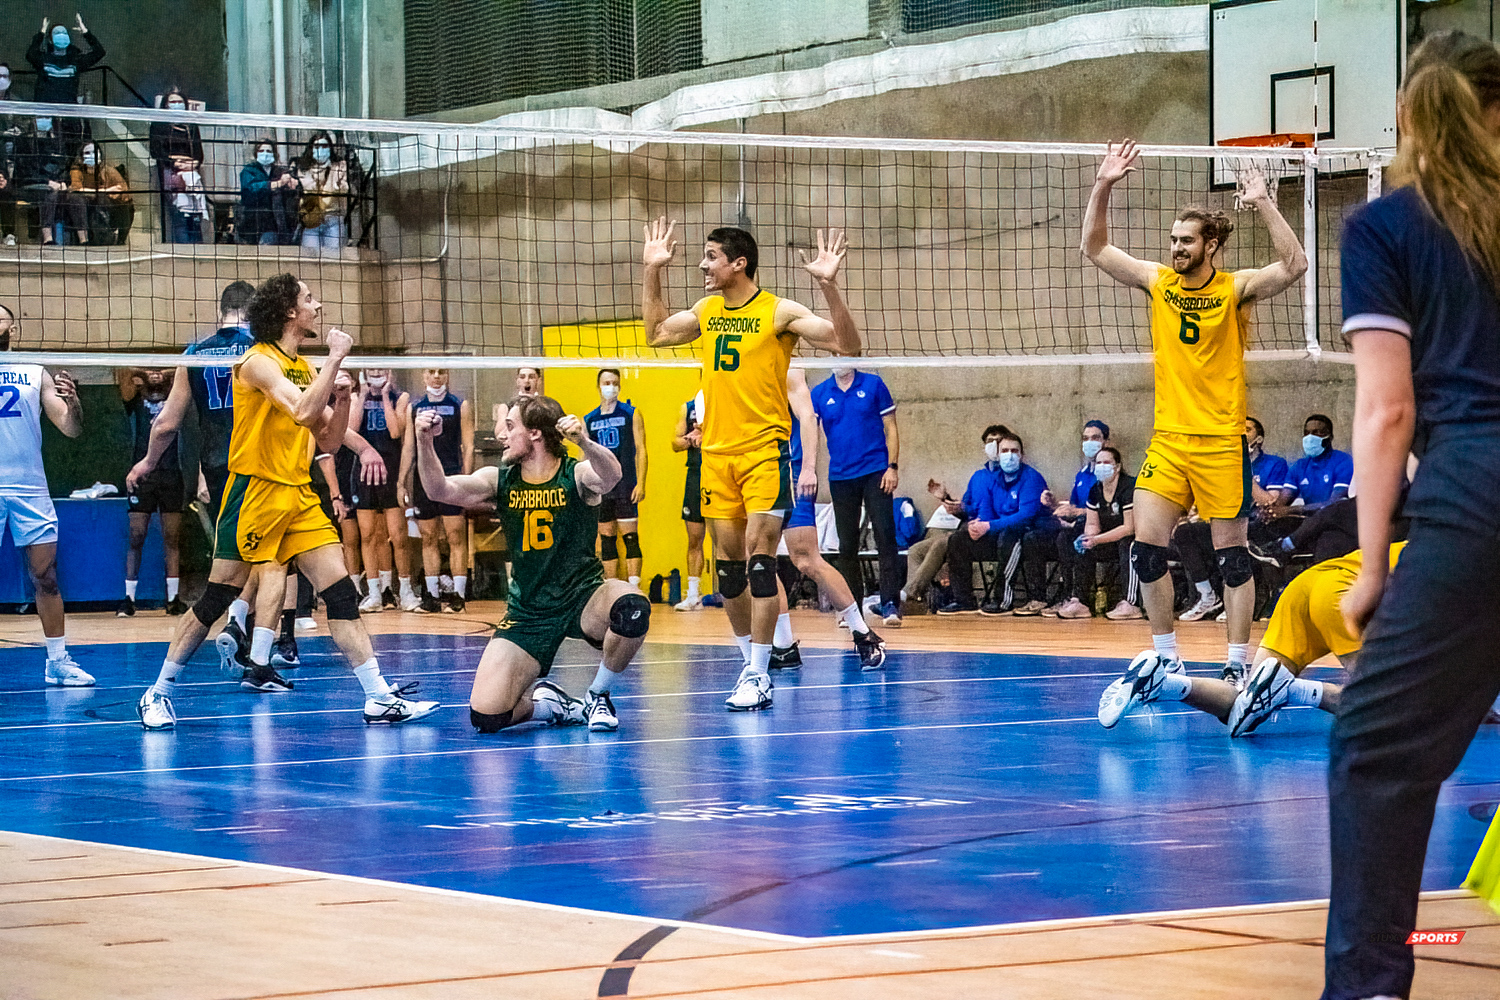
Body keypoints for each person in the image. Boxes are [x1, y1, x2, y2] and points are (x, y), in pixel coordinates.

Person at [1318, 32, 1500, 999]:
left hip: (1477, 492)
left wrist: (1374, 562)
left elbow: (1387, 410)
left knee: (1378, 749)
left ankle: (1368, 987)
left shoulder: (1389, 227)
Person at [135, 274, 435, 731]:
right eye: (309, 299)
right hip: (255, 493)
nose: (318, 305)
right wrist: (335, 360)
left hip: (297, 493)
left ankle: (378, 697)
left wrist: (343, 392)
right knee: (218, 597)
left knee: (339, 593)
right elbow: (300, 411)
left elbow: (327, 436)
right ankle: (158, 692)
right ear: (290, 313)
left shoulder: (305, 368)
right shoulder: (257, 362)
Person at [1082, 141, 1307, 689]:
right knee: (1146, 550)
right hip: (1170, 441)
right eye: (1174, 241)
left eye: (1187, 241)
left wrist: (1264, 201)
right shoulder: (1158, 282)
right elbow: (1095, 247)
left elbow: (1295, 264)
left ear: (1212, 246)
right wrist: (1105, 183)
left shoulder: (1234, 290)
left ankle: (1237, 662)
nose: (1177, 248)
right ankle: (1166, 657)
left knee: (1231, 557)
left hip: (1220, 442)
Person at [642, 220, 862, 711]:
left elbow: (847, 346)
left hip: (764, 452)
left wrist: (829, 286)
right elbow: (656, 333)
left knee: (762, 563)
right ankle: (749, 665)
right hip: (716, 456)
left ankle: (761, 673)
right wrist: (651, 270)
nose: (702, 264)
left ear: (738, 263)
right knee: (730, 574)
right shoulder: (706, 309)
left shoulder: (779, 311)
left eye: (711, 256)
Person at [415, 394, 650, 733]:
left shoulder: (577, 474)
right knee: (488, 716)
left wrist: (584, 441)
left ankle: (598, 694)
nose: (502, 435)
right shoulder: (500, 480)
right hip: (528, 611)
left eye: (510, 427)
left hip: (582, 596)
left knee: (632, 606)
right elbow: (439, 489)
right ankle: (550, 708)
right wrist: (424, 441)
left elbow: (612, 476)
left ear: (536, 434)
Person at [1097, 543, 1405, 738]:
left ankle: (1162, 683)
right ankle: (1295, 690)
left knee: (1243, 700)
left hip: (1305, 587)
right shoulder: (1445, 554)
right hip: (1343, 594)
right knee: (1389, 708)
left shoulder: (1427, 540)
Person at [0, 302, 90, 685]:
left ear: (13, 327)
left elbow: (70, 429)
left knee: (45, 575)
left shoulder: (35, 372)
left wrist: (75, 404)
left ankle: (57, 661)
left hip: (29, 487)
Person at [781, 367, 886, 667]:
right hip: (749, 475)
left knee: (806, 559)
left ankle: (862, 631)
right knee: (755, 562)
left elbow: (807, 418)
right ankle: (782, 644)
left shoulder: (790, 372)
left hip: (788, 475)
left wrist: (808, 468)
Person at [1173, 415, 1292, 622]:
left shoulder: (1274, 464)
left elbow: (1269, 502)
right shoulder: (1222, 466)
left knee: (1233, 538)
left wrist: (1242, 468)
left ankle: (1237, 602)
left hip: (1257, 523)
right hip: (1224, 520)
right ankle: (1208, 595)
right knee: (1185, 532)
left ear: (1260, 438)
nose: (1242, 434)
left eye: (1247, 430)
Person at [810, 365, 902, 627]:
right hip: (841, 476)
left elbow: (891, 427)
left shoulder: (873, 385)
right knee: (846, 545)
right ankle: (852, 609)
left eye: (843, 352)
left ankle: (890, 604)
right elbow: (810, 431)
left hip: (875, 471)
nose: (838, 359)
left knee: (885, 534)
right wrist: (808, 469)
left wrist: (892, 466)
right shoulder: (820, 392)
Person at [936, 430, 1049, 615]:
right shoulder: (992, 479)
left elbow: (1026, 515)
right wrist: (975, 524)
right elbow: (983, 511)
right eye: (1005, 451)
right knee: (958, 539)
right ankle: (963, 600)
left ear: (1021, 454)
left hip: (1025, 534)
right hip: (996, 531)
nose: (1009, 455)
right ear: (998, 454)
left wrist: (989, 526)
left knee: (1009, 537)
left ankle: (1003, 601)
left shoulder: (1031, 478)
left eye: (1014, 450)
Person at [399, 368, 473, 612]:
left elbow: (468, 446)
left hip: (452, 476)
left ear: (448, 375)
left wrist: (467, 480)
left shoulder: (460, 405)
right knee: (428, 537)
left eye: (441, 372)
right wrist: (401, 481)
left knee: (455, 537)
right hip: (423, 479)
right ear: (424, 375)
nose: (437, 376)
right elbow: (409, 446)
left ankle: (459, 597)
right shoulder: (416, 406)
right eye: (432, 372)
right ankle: (431, 597)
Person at [116, 367, 186, 617]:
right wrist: (145, 372)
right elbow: (122, 374)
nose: (155, 373)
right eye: (150, 370)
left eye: (160, 370)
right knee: (136, 536)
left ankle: (173, 598)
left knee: (172, 538)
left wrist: (166, 372)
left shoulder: (175, 398)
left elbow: (182, 374)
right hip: (142, 474)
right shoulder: (135, 398)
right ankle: (128, 599)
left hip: (171, 474)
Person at [350, 369, 420, 613]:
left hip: (390, 473)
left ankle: (406, 591)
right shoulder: (356, 397)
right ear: (365, 372)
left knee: (398, 536)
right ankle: (374, 593)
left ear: (389, 372)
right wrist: (362, 395)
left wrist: (385, 395)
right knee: (368, 535)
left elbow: (394, 432)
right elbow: (351, 429)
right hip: (364, 474)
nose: (376, 372)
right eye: (372, 369)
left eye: (381, 368)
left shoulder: (400, 397)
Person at [1026, 419, 1110, 616]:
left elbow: (1108, 510)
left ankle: (1075, 597)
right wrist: (1055, 506)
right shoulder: (1081, 475)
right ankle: (1039, 597)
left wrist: (1079, 514)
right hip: (1076, 526)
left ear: (1106, 441)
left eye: (1095, 438)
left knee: (1070, 536)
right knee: (1034, 538)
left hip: (1100, 531)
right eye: (1086, 438)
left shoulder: (1107, 473)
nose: (1090, 442)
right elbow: (1073, 509)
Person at [1051, 447, 1139, 619]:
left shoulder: (1128, 487)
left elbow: (1129, 527)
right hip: (1105, 539)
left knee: (1127, 545)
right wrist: (1089, 537)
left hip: (1130, 537)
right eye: (1099, 463)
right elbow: (1092, 523)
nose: (1102, 466)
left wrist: (1097, 539)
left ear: (1118, 466)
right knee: (1084, 545)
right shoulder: (1095, 490)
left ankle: (1130, 603)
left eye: (1107, 463)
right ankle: (1080, 601)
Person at [586, 369, 647, 587]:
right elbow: (584, 456)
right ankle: (611, 586)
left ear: (619, 387)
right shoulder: (590, 419)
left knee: (630, 537)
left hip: (626, 483)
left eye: (614, 383)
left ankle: (633, 587)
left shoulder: (630, 413)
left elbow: (641, 449)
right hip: (602, 486)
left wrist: (641, 482)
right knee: (606, 539)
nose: (610, 386)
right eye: (606, 382)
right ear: (598, 386)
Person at [25, 15, 101, 150]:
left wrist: (84, 31)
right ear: (50, 39)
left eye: (64, 33)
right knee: (42, 149)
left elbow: (99, 52)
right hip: (45, 115)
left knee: (71, 148)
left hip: (69, 115)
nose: (61, 35)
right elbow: (30, 54)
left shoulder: (76, 60)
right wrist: (41, 33)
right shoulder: (43, 59)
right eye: (57, 33)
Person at [148, 89, 205, 245]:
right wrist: (175, 163)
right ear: (165, 105)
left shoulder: (191, 126)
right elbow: (156, 151)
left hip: (191, 173)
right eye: (172, 102)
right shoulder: (159, 126)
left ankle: (198, 250)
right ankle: (184, 250)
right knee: (179, 215)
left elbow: (199, 154)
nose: (176, 105)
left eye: (179, 102)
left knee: (195, 217)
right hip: (170, 173)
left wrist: (192, 164)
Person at [15, 116, 82, 246]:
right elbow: (24, 172)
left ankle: (83, 240)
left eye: (46, 117)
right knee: (49, 193)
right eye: (40, 117)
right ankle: (47, 237)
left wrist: (63, 182)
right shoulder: (23, 141)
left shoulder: (58, 141)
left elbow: (62, 165)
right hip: (29, 185)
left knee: (75, 198)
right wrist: (47, 182)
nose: (43, 120)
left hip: (55, 184)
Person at [672, 392, 707, 610]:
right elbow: (674, 442)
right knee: (694, 538)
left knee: (729, 539)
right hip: (695, 474)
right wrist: (691, 439)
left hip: (721, 472)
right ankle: (693, 594)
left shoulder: (729, 399)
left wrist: (709, 435)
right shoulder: (689, 407)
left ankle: (740, 590)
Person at [1281, 413, 1353, 509]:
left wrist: (1293, 510)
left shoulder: (1343, 461)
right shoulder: (1300, 466)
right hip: (1308, 519)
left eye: (1317, 432)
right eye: (1307, 433)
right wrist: (1270, 512)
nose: (1310, 438)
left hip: (1333, 520)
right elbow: (1283, 500)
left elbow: (1334, 504)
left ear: (1330, 437)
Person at [70, 140, 132, 246]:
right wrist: (106, 190)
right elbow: (77, 189)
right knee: (76, 200)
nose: (91, 156)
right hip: (86, 204)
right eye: (87, 153)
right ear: (81, 156)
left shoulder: (109, 171)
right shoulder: (76, 170)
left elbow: (122, 192)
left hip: (110, 205)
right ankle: (84, 240)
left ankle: (117, 239)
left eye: (94, 152)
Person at [239, 139, 300, 246]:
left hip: (277, 224)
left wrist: (294, 184)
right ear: (256, 153)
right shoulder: (249, 170)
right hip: (254, 223)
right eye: (261, 151)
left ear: (274, 154)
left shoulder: (280, 171)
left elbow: (293, 192)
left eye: (268, 151)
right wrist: (276, 184)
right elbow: (250, 189)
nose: (265, 154)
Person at [295, 131, 347, 253]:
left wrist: (332, 188)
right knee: (310, 259)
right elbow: (311, 189)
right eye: (317, 146)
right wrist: (331, 189)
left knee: (334, 259)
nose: (321, 150)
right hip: (312, 219)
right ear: (311, 149)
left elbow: (343, 188)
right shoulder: (303, 168)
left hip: (334, 217)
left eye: (324, 146)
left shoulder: (340, 165)